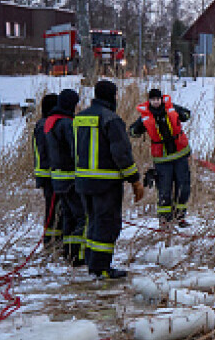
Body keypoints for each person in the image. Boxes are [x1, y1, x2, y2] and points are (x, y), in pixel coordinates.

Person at [74, 80, 144, 279]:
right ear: (112, 96)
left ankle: (91, 262)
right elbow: (121, 153)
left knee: (93, 222)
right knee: (107, 225)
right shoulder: (110, 119)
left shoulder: (79, 118)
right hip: (105, 183)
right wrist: (135, 180)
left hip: (82, 182)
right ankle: (101, 268)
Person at [129, 88, 193, 227]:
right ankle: (165, 220)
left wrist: (182, 115)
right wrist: (135, 131)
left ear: (161, 99)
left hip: (180, 155)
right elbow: (133, 131)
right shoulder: (145, 116)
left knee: (184, 187)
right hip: (162, 160)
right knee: (164, 190)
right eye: (153, 100)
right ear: (149, 101)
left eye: (158, 99)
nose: (156, 102)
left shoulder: (172, 108)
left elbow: (187, 115)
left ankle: (180, 217)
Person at [45, 89, 87, 266]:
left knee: (68, 216)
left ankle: (68, 252)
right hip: (71, 177)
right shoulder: (67, 124)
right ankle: (78, 255)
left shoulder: (50, 122)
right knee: (81, 216)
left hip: (57, 177)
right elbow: (76, 150)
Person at [33, 93, 61, 251]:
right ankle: (51, 243)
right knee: (52, 210)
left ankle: (52, 241)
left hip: (45, 174)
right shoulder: (47, 125)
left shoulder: (41, 124)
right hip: (50, 174)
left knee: (52, 209)